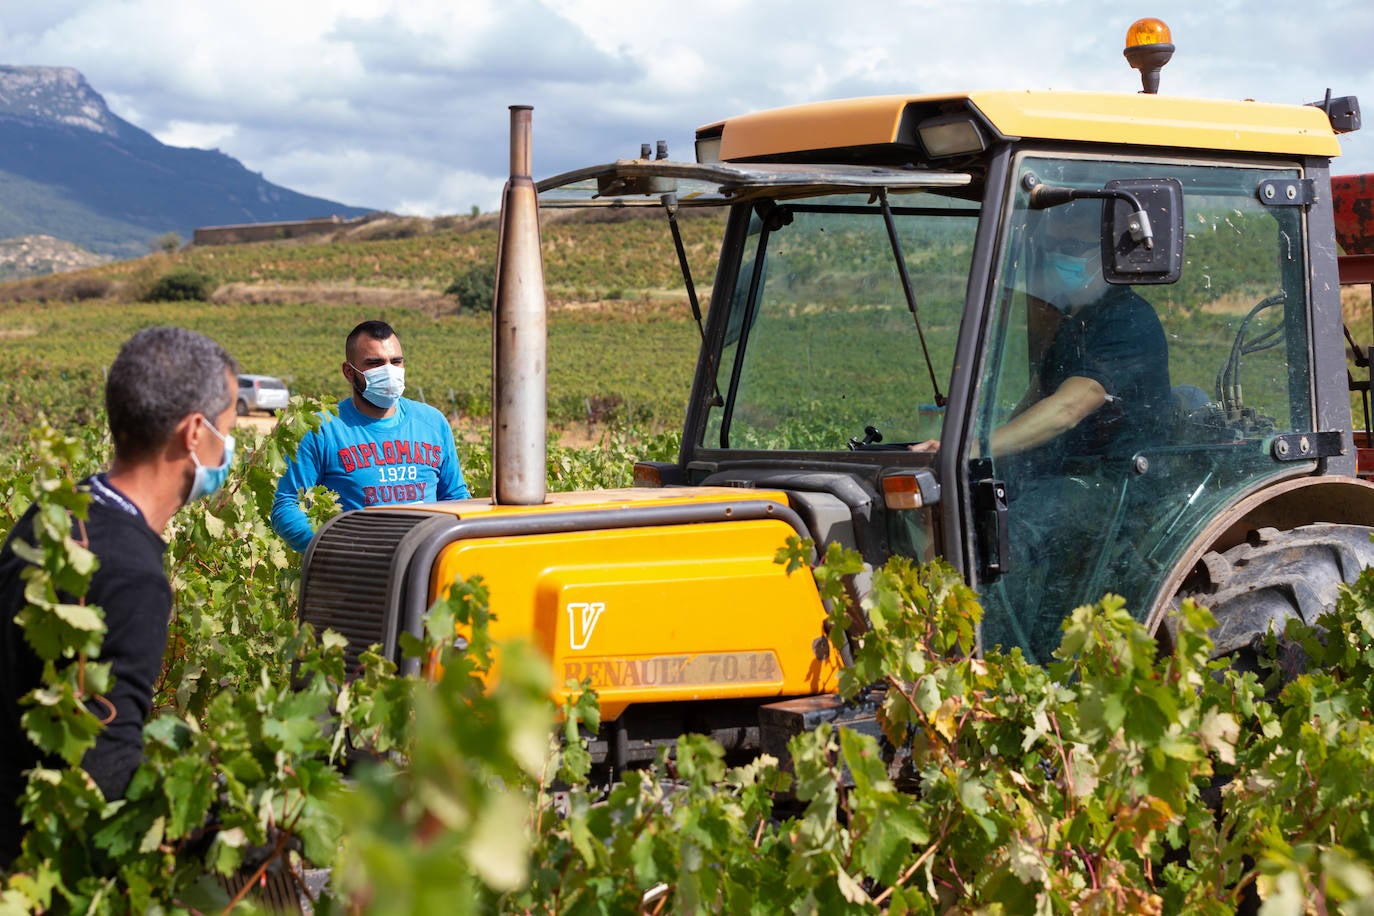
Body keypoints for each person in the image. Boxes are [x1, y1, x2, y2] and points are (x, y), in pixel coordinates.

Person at [0, 326, 239, 867]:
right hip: (39, 863)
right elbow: (103, 774)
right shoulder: (132, 576)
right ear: (194, 433)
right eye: (227, 430)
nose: (229, 448)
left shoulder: (62, 511)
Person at [271, 319, 470, 553]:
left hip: (425, 567)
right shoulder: (322, 429)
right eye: (375, 364)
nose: (389, 371)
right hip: (360, 573)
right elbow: (286, 506)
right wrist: (334, 551)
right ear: (349, 372)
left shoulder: (432, 422)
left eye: (396, 361)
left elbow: (456, 497)